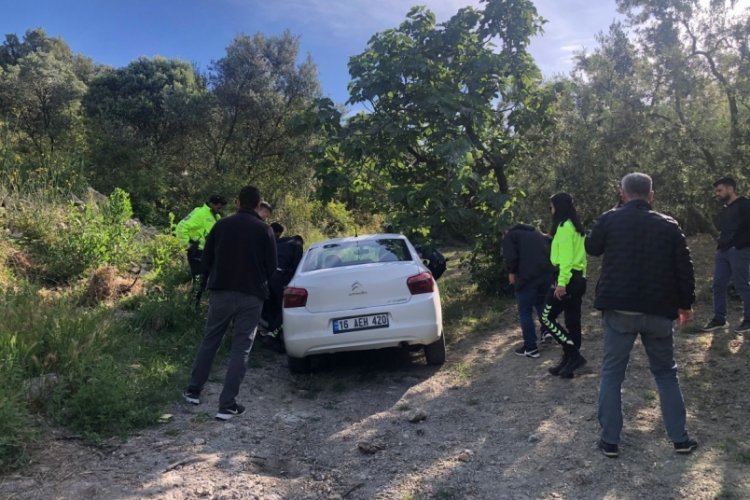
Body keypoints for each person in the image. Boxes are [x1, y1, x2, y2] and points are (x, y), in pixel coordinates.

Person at [586, 172, 698, 458]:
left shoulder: (610, 218)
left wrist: (612, 211)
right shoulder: (669, 225)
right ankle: (680, 439)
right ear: (652, 195)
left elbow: (591, 247)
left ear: (622, 194)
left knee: (612, 374)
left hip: (619, 307)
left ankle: (610, 441)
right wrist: (685, 305)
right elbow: (685, 268)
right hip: (659, 310)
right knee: (665, 373)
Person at [183, 186, 277, 420]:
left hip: (221, 291)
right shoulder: (265, 230)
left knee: (210, 340)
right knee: (241, 347)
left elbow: (205, 261)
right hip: (251, 295)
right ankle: (227, 404)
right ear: (258, 205)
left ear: (237, 202)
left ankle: (193, 391)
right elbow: (272, 267)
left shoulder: (221, 225)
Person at [541, 192, 588, 378]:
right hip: (577, 278)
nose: (550, 210)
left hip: (566, 278)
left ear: (558, 207)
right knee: (572, 322)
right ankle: (568, 360)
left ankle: (574, 355)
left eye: (551, 206)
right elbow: (581, 258)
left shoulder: (565, 228)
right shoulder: (576, 227)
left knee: (546, 318)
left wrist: (561, 283)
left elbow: (567, 258)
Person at [703, 177, 750, 333]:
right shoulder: (725, 209)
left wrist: (739, 246)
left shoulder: (745, 205)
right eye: (716, 191)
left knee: (742, 284)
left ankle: (749, 320)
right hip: (723, 251)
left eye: (719, 190)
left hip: (739, 250)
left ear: (730, 189)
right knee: (718, 284)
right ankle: (719, 319)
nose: (717, 194)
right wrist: (720, 247)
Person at [502, 224, 554, 358]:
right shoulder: (537, 233)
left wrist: (511, 272)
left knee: (525, 311)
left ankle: (531, 348)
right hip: (546, 275)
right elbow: (550, 243)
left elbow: (511, 257)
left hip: (527, 278)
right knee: (542, 305)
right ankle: (546, 331)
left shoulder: (510, 236)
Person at [175, 195, 227, 304]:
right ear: (212, 203)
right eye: (219, 205)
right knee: (199, 282)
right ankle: (191, 308)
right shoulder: (200, 213)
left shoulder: (215, 216)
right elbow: (181, 227)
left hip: (207, 253)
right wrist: (188, 245)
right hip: (197, 253)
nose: (221, 208)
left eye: (222, 206)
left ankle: (195, 306)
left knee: (204, 283)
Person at [260, 234, 305, 352]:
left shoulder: (279, 242)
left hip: (264, 276)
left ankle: (270, 335)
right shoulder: (297, 246)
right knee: (284, 307)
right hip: (279, 277)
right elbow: (296, 267)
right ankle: (271, 336)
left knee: (270, 305)